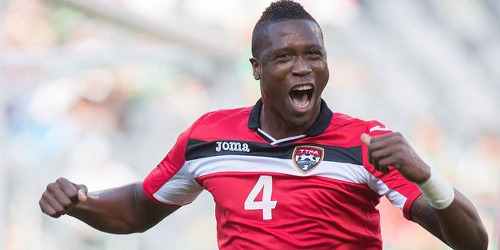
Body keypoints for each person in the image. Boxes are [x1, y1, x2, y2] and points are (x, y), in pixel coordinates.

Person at [39, 1, 488, 249]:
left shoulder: (363, 142)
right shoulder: (208, 138)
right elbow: (138, 208)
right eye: (284, 57)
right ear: (256, 68)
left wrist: (427, 177)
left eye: (313, 55)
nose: (302, 69)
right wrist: (81, 202)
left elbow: (473, 245)